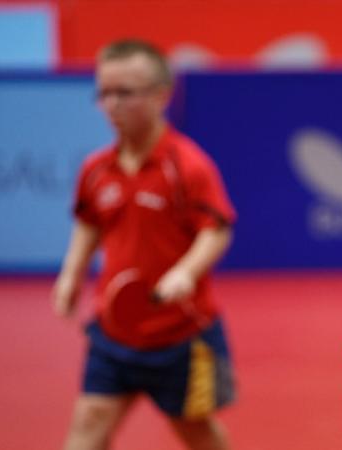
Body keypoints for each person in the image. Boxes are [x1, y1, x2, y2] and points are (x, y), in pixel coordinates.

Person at [52, 39, 236, 450]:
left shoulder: (187, 165)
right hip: (114, 328)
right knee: (88, 423)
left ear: (160, 95)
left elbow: (217, 229)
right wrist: (71, 276)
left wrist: (186, 272)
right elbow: (89, 224)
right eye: (104, 93)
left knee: (195, 432)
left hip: (182, 333)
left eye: (124, 93)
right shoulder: (96, 169)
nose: (111, 104)